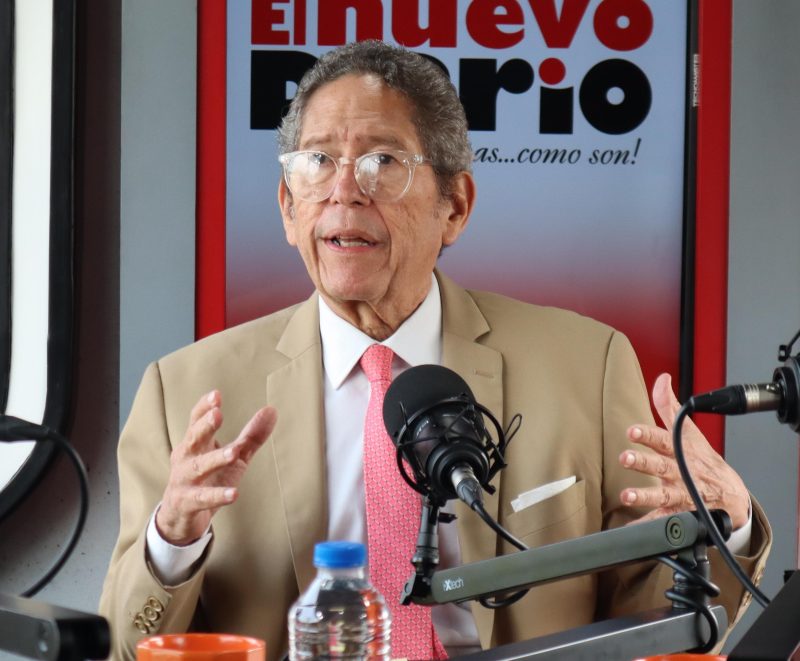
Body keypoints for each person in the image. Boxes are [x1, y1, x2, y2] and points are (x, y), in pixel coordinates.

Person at [99, 40, 770, 660]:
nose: (343, 190)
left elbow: (657, 619)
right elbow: (129, 645)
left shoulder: (586, 366)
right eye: (318, 161)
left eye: (382, 162)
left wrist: (727, 525)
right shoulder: (184, 392)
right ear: (287, 207)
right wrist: (173, 540)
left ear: (455, 205)